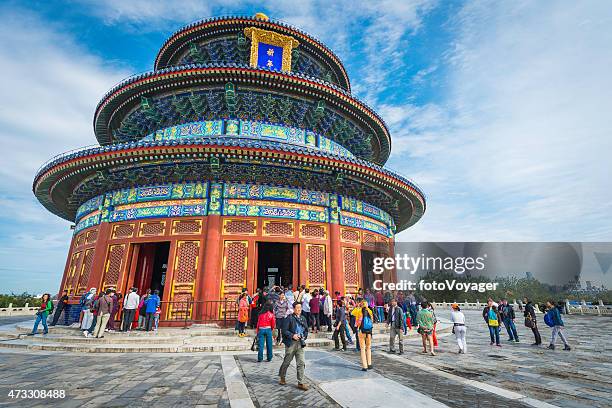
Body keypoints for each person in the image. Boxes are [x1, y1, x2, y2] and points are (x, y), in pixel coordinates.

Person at [278, 302, 309, 391]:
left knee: (301, 363)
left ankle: (301, 382)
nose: (299, 309)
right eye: (297, 308)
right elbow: (284, 330)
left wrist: (304, 336)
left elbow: (306, 329)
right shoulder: (289, 318)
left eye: (300, 308)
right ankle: (282, 377)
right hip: (291, 343)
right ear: (294, 309)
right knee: (287, 361)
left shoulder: (303, 318)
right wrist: (292, 335)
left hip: (300, 343)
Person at [354, 300, 374, 371]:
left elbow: (356, 322)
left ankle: (364, 366)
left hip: (361, 331)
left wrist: (357, 307)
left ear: (361, 304)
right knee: (368, 348)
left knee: (362, 348)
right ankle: (369, 364)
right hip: (369, 332)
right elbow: (372, 321)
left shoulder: (359, 311)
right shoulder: (370, 311)